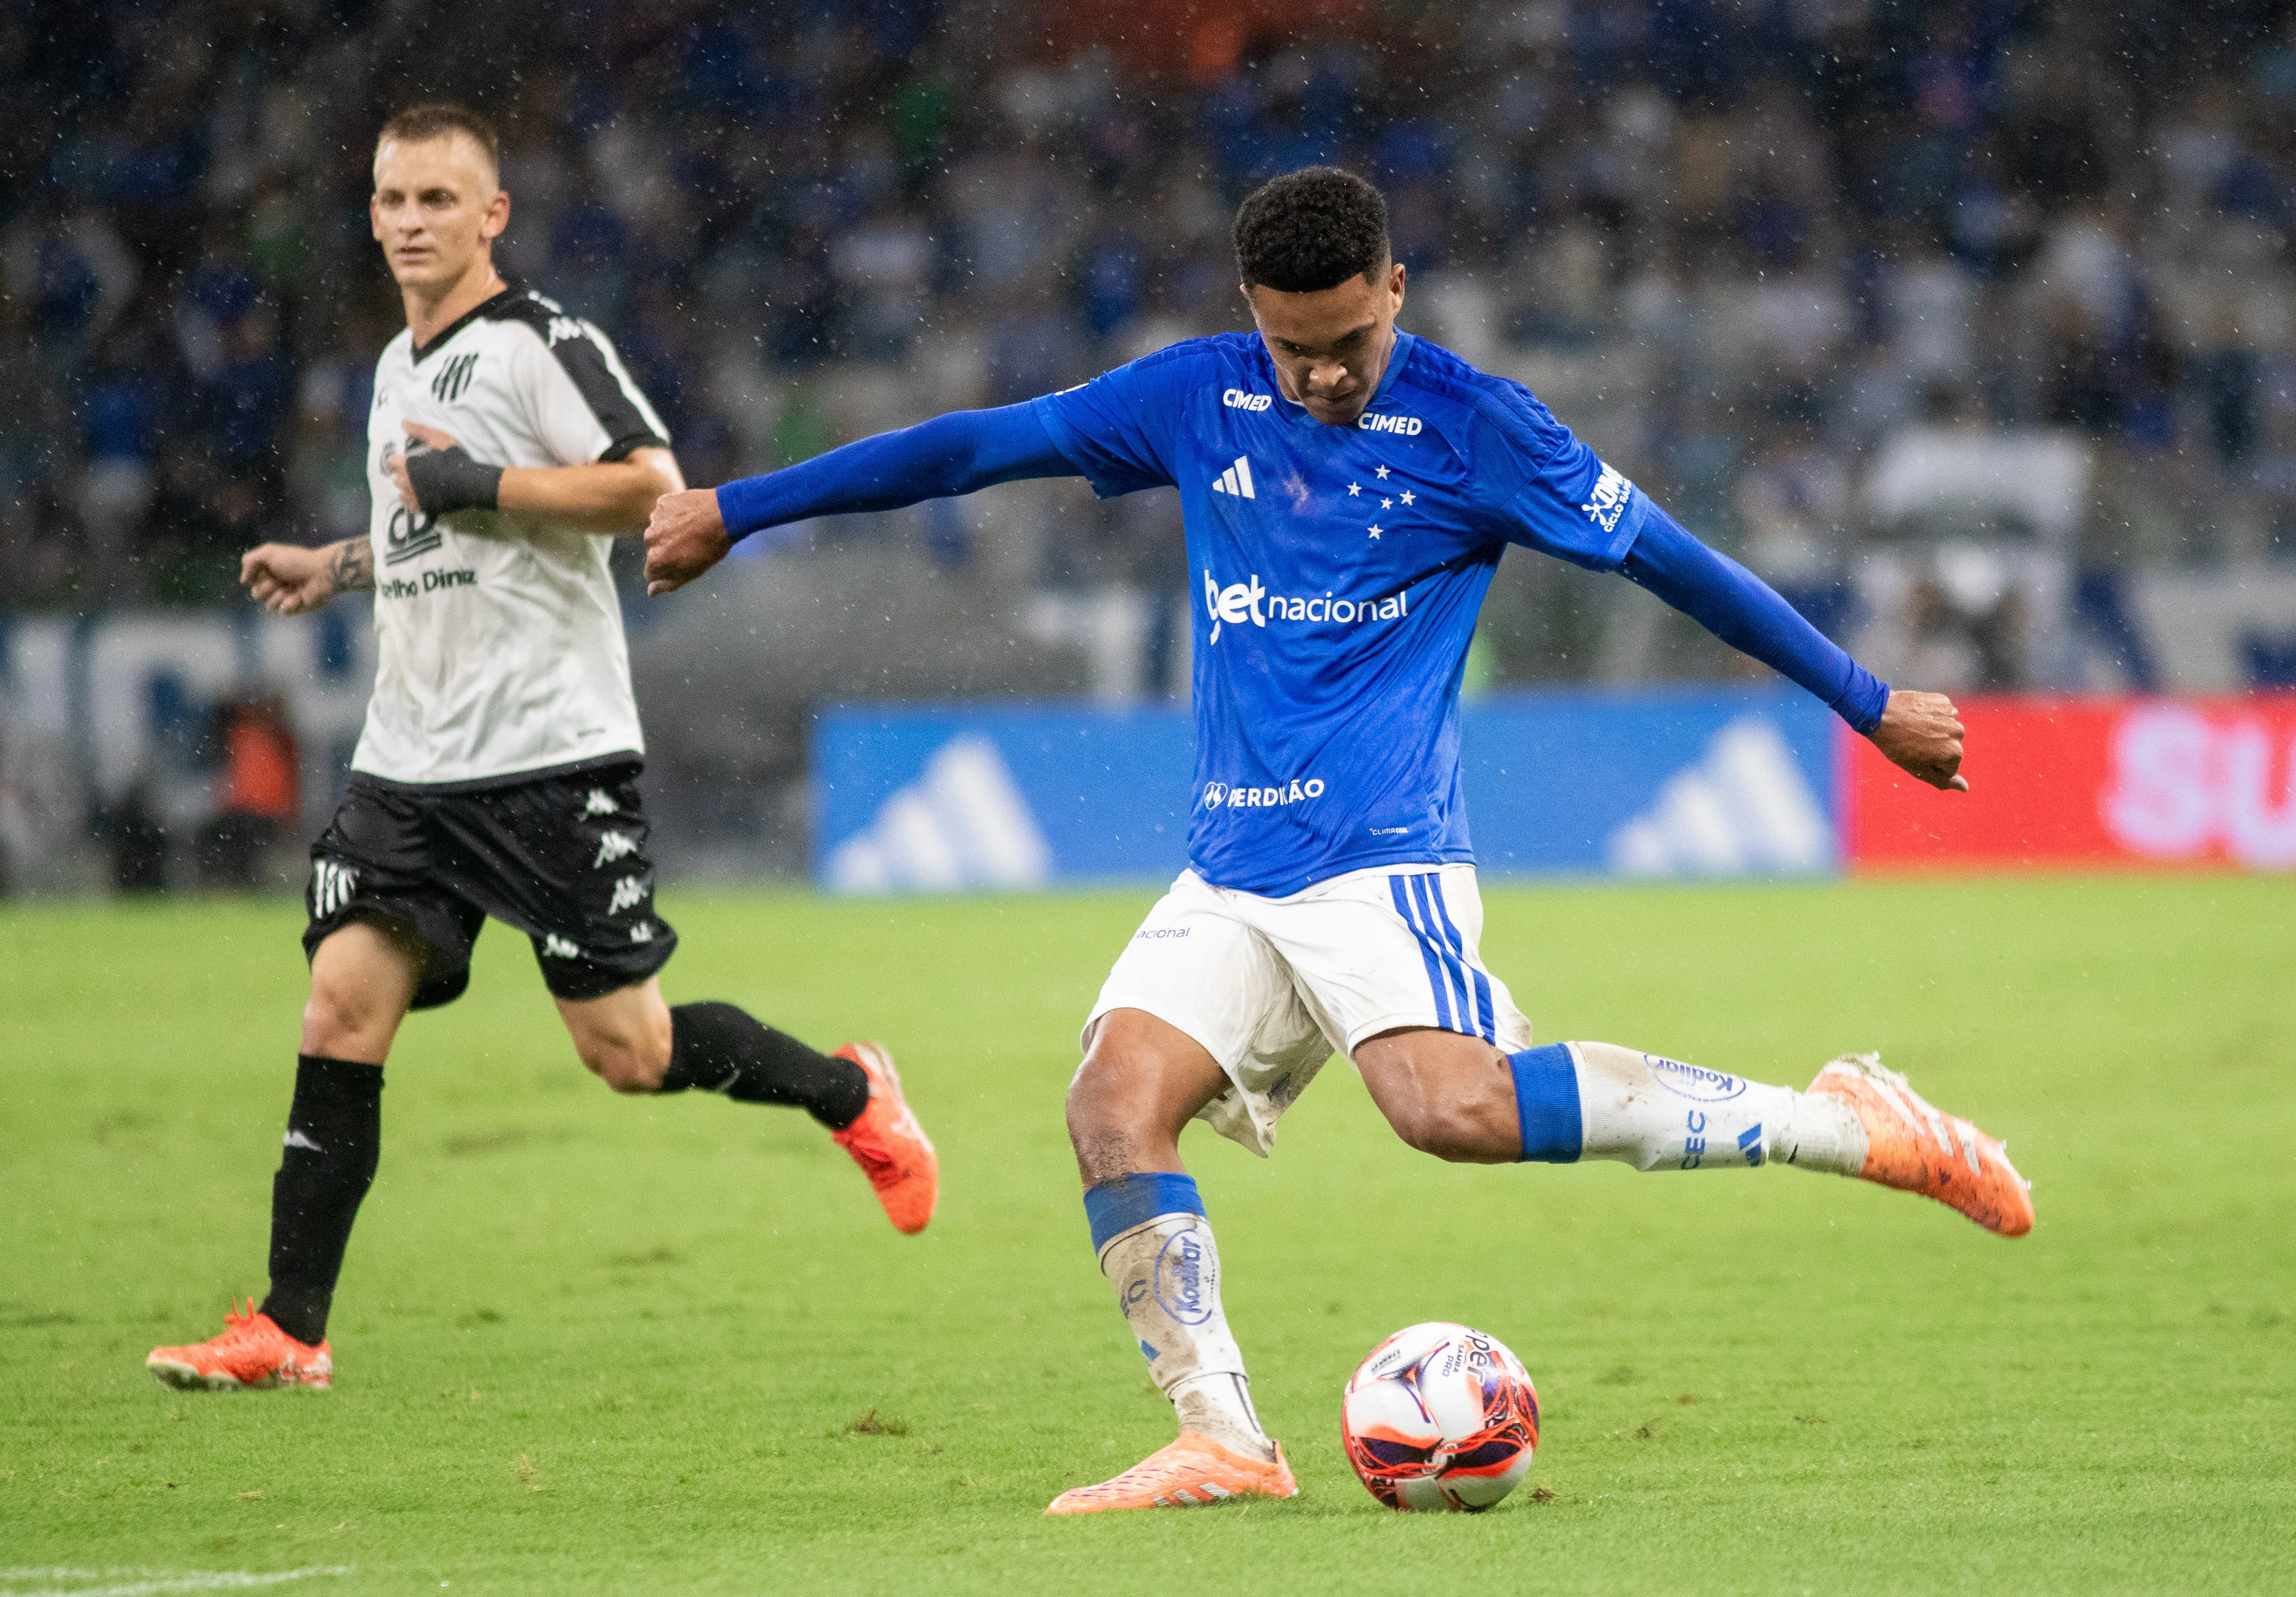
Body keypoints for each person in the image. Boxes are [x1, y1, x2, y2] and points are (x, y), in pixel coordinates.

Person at [642, 166, 2027, 1513]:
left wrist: (1865, 700)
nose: (1320, 376)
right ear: (1253, 311)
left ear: (1397, 290)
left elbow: (1672, 559)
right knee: (1111, 1105)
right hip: (1230, 868)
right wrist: (737, 505)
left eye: (1349, 341)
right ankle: (1221, 1435)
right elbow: (966, 449)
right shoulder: (1195, 396)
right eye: (1291, 347)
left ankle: (1842, 1123)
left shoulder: (1478, 426)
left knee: (1448, 1110)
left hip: (1383, 854)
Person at [146, 105, 937, 1395]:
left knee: (626, 1053)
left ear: (492, 215)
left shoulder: (537, 341)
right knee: (340, 1010)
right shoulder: (399, 369)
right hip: (409, 761)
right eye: (393, 201)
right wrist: (335, 564)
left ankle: (847, 1094)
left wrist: (485, 486)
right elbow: (430, 539)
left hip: (548, 758)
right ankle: (289, 1329)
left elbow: (649, 483)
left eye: (438, 201)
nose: (411, 223)